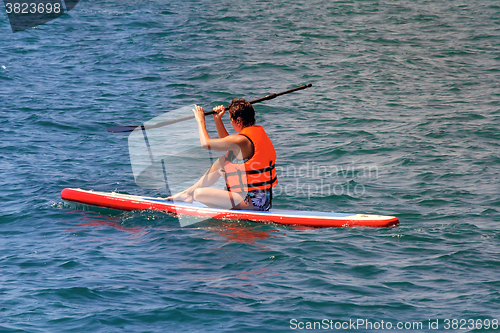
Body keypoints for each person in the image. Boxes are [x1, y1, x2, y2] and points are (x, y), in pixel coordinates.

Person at [167, 98, 277, 211]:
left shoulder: (242, 141)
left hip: (251, 203)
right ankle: (187, 193)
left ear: (238, 121)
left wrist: (200, 121)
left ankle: (193, 195)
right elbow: (227, 142)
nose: (230, 122)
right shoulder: (253, 136)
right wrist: (217, 119)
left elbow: (206, 144)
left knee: (199, 194)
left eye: (231, 120)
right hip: (262, 199)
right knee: (221, 162)